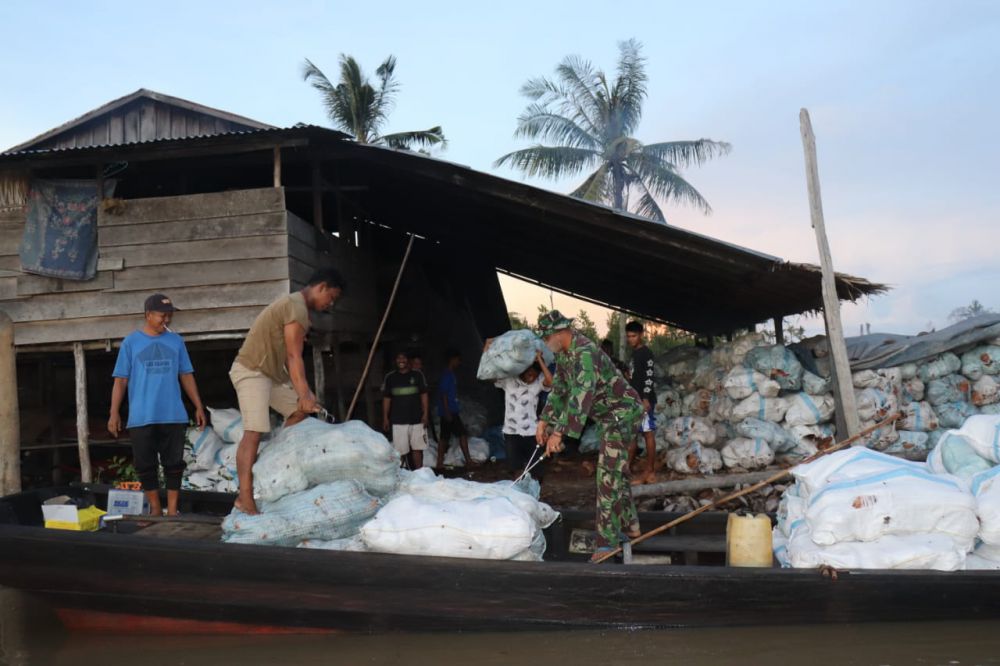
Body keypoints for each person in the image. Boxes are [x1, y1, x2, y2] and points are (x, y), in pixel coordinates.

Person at [230, 268, 344, 514]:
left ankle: (273, 456)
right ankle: (244, 497)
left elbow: (290, 355)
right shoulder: (297, 307)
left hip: (270, 375)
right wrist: (304, 392)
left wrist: (304, 396)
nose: (330, 304)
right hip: (251, 370)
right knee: (254, 432)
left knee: (298, 411)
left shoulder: (298, 308)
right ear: (321, 287)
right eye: (331, 297)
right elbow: (294, 356)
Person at [536, 310, 643, 562]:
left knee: (607, 475)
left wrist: (559, 432)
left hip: (622, 414)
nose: (545, 341)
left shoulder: (585, 353)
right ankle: (631, 526)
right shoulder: (565, 354)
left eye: (547, 336)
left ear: (561, 332)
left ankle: (607, 544)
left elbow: (580, 396)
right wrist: (544, 420)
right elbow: (561, 389)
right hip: (609, 417)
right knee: (616, 471)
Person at [108, 293, 207, 516]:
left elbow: (186, 375)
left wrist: (198, 406)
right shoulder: (131, 343)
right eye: (162, 315)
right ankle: (155, 509)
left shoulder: (176, 341)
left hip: (173, 414)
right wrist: (114, 412)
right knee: (145, 465)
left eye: (169, 316)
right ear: (148, 315)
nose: (166, 320)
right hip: (141, 416)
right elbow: (120, 380)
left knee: (174, 464)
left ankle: (172, 510)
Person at [487, 343, 553, 480]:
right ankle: (519, 496)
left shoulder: (538, 382)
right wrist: (488, 351)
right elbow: (489, 375)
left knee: (536, 470)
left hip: (532, 432)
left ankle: (534, 496)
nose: (531, 378)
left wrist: (539, 359)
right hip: (512, 432)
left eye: (535, 375)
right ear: (522, 370)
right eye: (529, 374)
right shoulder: (509, 380)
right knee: (515, 470)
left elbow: (550, 381)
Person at [381, 351, 430, 469]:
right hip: (398, 420)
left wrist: (425, 414)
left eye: (403, 358)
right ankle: (402, 476)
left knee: (418, 448)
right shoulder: (390, 377)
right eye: (398, 358)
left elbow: (424, 395)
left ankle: (419, 474)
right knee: (400, 451)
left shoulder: (417, 375)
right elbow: (387, 399)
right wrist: (385, 418)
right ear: (395, 361)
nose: (401, 360)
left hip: (417, 419)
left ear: (409, 361)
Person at [625, 321, 658, 485]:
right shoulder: (634, 354)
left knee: (647, 434)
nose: (631, 339)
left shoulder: (646, 353)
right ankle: (627, 468)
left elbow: (649, 377)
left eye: (634, 336)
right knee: (632, 435)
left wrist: (645, 398)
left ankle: (650, 470)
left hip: (644, 401)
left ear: (641, 335)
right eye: (628, 336)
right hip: (633, 401)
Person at [436, 348, 473, 468]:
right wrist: (447, 412)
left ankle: (439, 463)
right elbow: (444, 395)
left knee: (444, 437)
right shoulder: (447, 375)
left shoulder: (449, 374)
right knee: (462, 434)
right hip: (449, 411)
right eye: (458, 360)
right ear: (452, 360)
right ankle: (468, 461)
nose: (459, 362)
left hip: (448, 411)